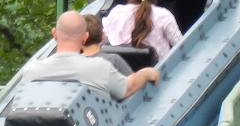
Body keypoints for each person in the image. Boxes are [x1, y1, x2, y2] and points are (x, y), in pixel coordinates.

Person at [18, 11, 159, 99]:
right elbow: (128, 89)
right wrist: (147, 73)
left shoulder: (31, 71)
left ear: (54, 33)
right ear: (85, 37)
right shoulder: (100, 68)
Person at [102, 0, 183, 63]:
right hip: (159, 74)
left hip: (125, 75)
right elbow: (181, 47)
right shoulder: (163, 15)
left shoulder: (116, 13)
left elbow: (104, 42)